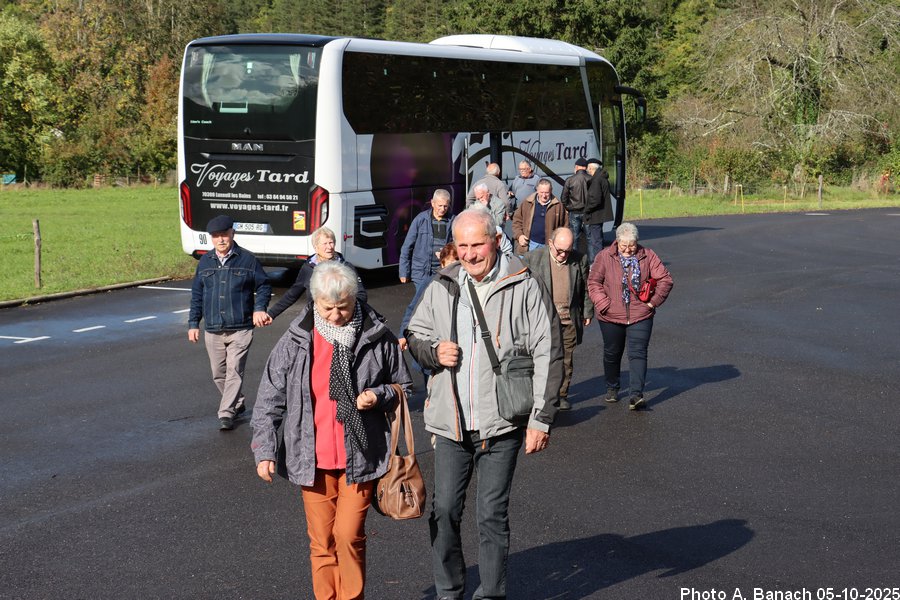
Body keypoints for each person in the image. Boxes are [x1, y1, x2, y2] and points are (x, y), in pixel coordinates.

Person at [405, 207, 563, 600]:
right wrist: (431, 351)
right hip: (451, 424)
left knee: (491, 516)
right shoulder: (442, 285)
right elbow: (413, 333)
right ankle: (449, 591)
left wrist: (541, 420)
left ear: (495, 240)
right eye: (463, 246)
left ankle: (491, 595)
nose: (471, 254)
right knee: (443, 513)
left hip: (503, 423)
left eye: (478, 244)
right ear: (454, 248)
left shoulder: (523, 282)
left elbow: (548, 349)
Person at [251, 260, 412, 600]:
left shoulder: (376, 335)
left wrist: (378, 395)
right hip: (312, 459)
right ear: (314, 301)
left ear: (355, 299)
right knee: (322, 542)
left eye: (344, 307)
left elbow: (403, 387)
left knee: (348, 535)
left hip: (363, 457)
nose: (337, 315)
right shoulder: (296, 340)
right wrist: (264, 449)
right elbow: (269, 397)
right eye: (328, 308)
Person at [188, 215, 271, 431]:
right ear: (211, 239)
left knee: (235, 371)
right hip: (213, 328)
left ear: (232, 234)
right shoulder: (205, 262)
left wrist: (259, 308)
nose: (221, 240)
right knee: (218, 373)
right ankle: (238, 401)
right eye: (216, 236)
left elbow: (263, 286)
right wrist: (193, 323)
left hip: (241, 327)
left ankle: (226, 413)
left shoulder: (248, 260)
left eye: (224, 235)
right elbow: (197, 294)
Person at [587, 222, 674, 409]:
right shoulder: (604, 256)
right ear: (617, 242)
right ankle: (612, 387)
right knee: (612, 353)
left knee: (638, 353)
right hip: (610, 316)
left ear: (637, 242)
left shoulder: (648, 256)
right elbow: (593, 282)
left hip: (640, 314)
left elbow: (665, 279)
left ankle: (636, 395)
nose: (627, 249)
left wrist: (652, 303)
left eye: (631, 245)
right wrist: (603, 304)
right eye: (623, 245)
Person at [522, 227, 593, 411]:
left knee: (566, 360)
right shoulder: (533, 258)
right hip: (542, 320)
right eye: (559, 250)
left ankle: (561, 394)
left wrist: (587, 311)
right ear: (550, 243)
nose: (563, 255)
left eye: (567, 251)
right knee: (538, 359)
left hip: (568, 319)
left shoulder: (580, 259)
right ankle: (535, 395)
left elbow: (585, 288)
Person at [262, 226, 366, 324]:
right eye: (325, 244)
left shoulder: (347, 267)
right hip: (316, 321)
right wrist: (271, 314)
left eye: (331, 242)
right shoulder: (308, 268)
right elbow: (292, 294)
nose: (329, 247)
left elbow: (361, 294)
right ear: (316, 247)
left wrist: (349, 310)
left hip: (342, 320)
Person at [398, 189, 454, 331]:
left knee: (438, 301)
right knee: (421, 300)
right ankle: (410, 330)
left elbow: (457, 245)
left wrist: (445, 253)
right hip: (421, 270)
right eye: (440, 205)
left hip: (442, 269)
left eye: (445, 206)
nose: (442, 209)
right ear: (433, 203)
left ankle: (435, 329)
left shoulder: (453, 220)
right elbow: (407, 246)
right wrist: (403, 271)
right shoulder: (421, 219)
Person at [398, 242, 459, 352]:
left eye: (455, 266)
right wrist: (403, 334)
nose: (451, 271)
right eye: (447, 266)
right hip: (434, 344)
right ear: (442, 264)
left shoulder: (465, 283)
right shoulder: (431, 282)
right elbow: (413, 308)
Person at [511, 178, 568, 256]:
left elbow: (565, 227)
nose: (544, 195)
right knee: (525, 267)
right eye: (541, 192)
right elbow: (517, 221)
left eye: (547, 193)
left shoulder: (558, 206)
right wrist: (519, 235)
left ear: (551, 191)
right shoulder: (527, 203)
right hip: (529, 245)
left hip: (548, 247)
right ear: (537, 190)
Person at [584, 158, 613, 262]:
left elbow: (595, 200)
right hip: (600, 214)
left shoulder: (596, 180)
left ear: (591, 168)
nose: (588, 171)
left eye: (588, 169)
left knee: (596, 241)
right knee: (598, 239)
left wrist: (586, 210)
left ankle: (599, 262)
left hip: (595, 214)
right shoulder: (602, 177)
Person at [561, 157, 591, 254]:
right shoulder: (591, 179)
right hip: (588, 212)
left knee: (574, 238)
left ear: (577, 167)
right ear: (585, 167)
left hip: (574, 212)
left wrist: (568, 208)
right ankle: (592, 262)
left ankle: (575, 261)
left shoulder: (570, 180)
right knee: (590, 238)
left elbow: (563, 198)